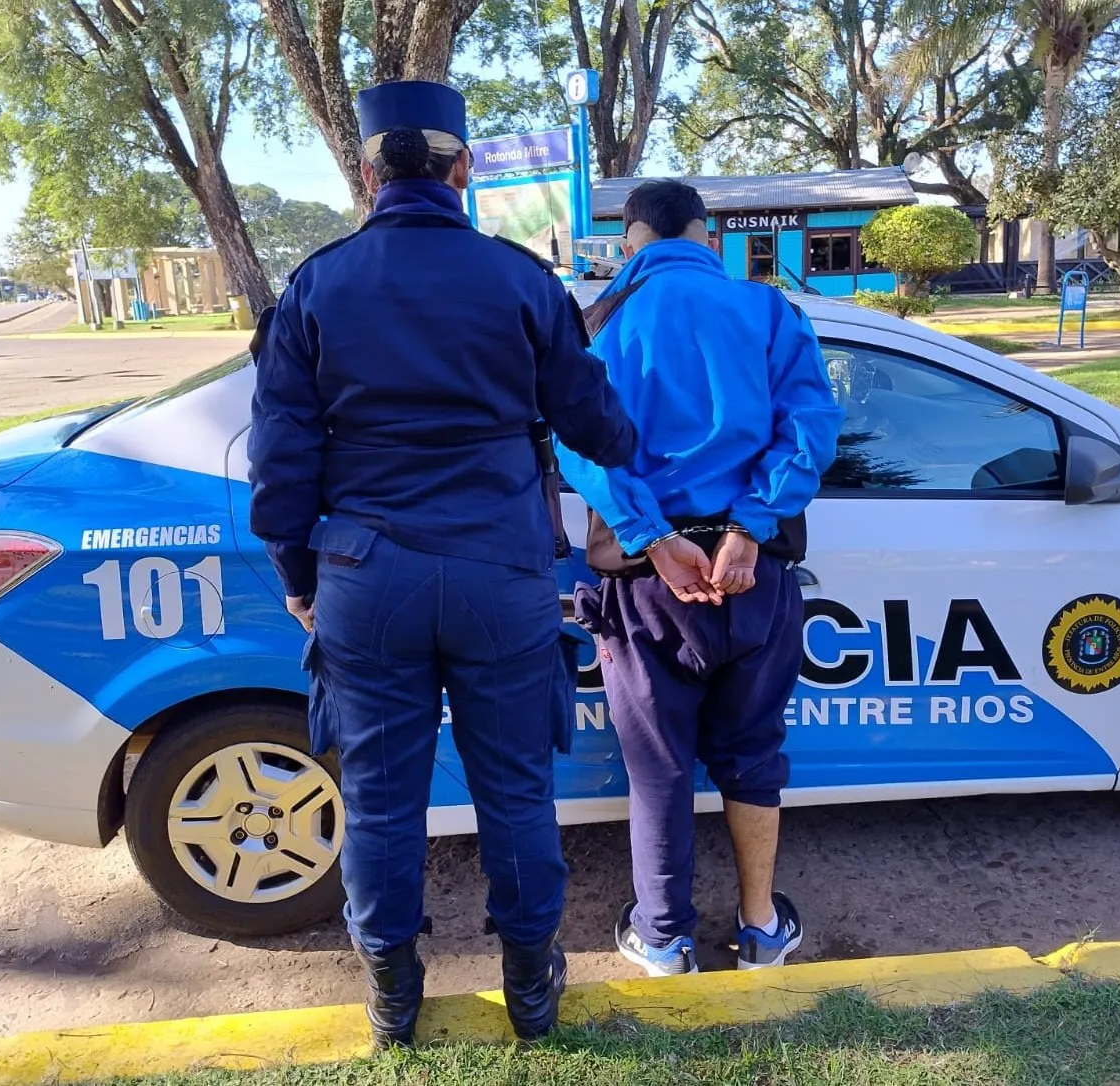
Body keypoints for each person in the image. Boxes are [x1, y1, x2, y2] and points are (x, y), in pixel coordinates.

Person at [247, 79, 636, 1047]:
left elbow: (281, 460)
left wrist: (298, 576)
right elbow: (598, 427)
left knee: (380, 799)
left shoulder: (318, 283)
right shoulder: (518, 280)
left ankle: (391, 992)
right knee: (514, 791)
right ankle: (530, 989)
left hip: (365, 575)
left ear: (370, 173)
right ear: (462, 170)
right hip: (499, 573)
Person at [557, 180, 843, 977]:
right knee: (753, 755)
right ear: (705, 233)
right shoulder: (768, 310)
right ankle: (759, 930)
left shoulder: (600, 320)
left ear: (629, 239)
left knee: (658, 767)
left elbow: (579, 445)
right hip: (755, 577)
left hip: (650, 588)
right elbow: (811, 426)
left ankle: (663, 938)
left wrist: (653, 539)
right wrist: (749, 528)